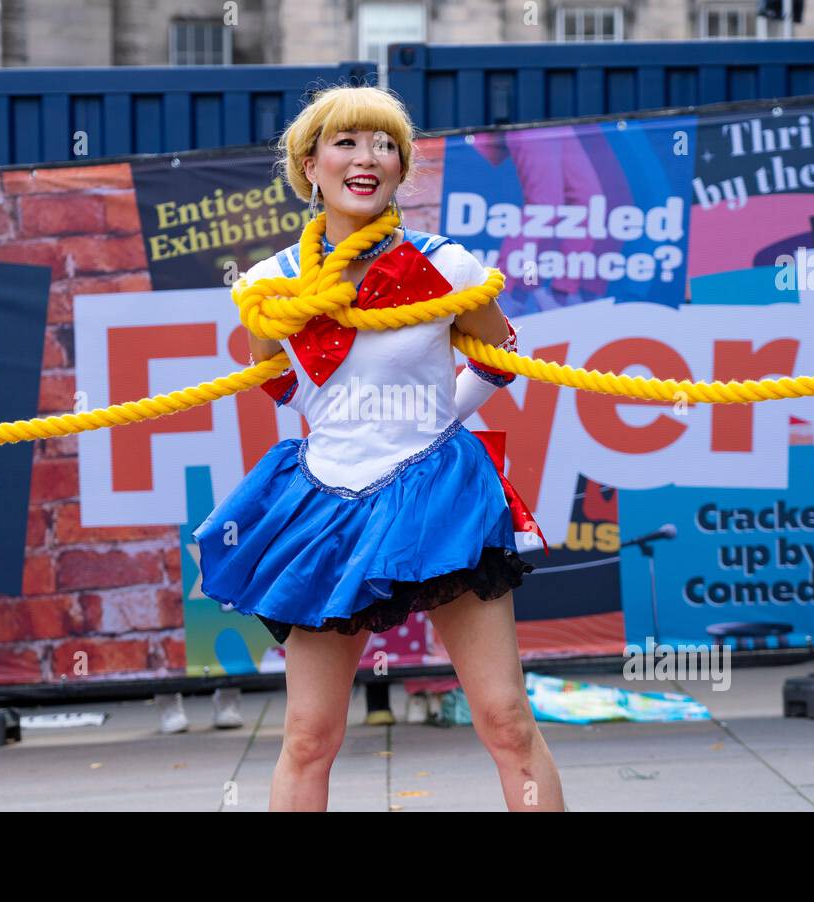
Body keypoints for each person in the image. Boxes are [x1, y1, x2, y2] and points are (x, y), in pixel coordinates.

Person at [192, 84, 565, 811]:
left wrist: (436, 426)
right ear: (309, 164)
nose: (369, 158)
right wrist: (339, 420)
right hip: (326, 508)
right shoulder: (270, 284)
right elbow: (275, 382)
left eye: (386, 145)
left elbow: (500, 357)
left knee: (506, 722)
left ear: (401, 168)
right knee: (308, 735)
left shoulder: (446, 264)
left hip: (440, 498)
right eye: (348, 142)